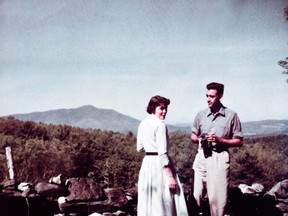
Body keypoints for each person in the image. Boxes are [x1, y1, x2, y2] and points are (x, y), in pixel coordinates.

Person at [190, 82, 243, 216]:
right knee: (196, 195)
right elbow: (193, 136)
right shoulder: (201, 114)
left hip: (219, 157)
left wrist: (220, 140)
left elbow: (239, 141)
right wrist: (200, 139)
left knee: (218, 199)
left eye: (212, 96)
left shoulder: (231, 115)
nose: (208, 99)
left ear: (220, 96)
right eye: (207, 96)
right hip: (202, 155)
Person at [137, 95, 188, 216]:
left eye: (166, 109)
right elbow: (162, 154)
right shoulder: (160, 125)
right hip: (159, 165)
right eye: (161, 108)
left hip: (147, 163)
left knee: (150, 199)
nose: (164, 112)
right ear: (153, 108)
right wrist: (170, 177)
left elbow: (139, 147)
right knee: (163, 199)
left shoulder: (142, 124)